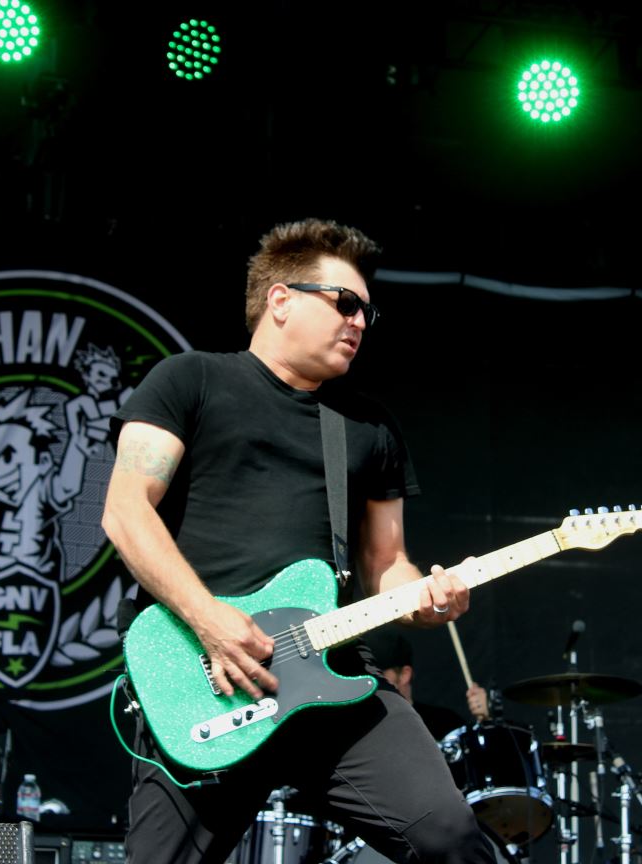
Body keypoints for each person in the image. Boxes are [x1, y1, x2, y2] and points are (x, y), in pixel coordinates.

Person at [102, 218, 497, 863]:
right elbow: (125, 511)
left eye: (367, 311)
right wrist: (210, 620)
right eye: (344, 303)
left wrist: (427, 598)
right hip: (209, 675)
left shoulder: (367, 428)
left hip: (332, 674)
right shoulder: (188, 381)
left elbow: (386, 563)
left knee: (452, 839)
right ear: (280, 299)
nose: (360, 322)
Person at [366, 624, 491, 741]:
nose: (368, 682)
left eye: (377, 674)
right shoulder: (364, 729)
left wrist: (486, 721)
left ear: (404, 675)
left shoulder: (445, 723)